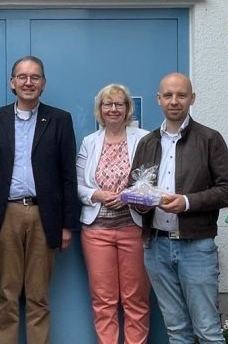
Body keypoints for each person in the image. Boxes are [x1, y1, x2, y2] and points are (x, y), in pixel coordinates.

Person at [130, 73, 228, 343]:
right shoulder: (147, 142)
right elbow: (135, 187)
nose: (174, 101)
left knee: (208, 329)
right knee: (176, 330)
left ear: (192, 98)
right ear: (159, 99)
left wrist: (187, 202)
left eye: (181, 95)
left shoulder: (210, 139)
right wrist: (141, 203)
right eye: (168, 95)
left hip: (196, 247)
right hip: (156, 246)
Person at [0, 55, 80, 344]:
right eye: (22, 76)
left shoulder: (60, 119)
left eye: (35, 77)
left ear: (43, 83)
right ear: (12, 83)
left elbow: (67, 174)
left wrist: (66, 225)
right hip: (6, 215)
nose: (28, 82)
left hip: (44, 216)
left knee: (38, 296)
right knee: (7, 294)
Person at [76, 84, 151, 344]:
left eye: (119, 104)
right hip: (96, 231)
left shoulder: (144, 138)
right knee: (103, 300)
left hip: (134, 227)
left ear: (128, 109)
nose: (114, 109)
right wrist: (96, 195)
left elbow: (151, 181)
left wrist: (128, 196)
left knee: (135, 299)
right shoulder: (90, 142)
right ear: (100, 110)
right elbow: (77, 184)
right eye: (108, 104)